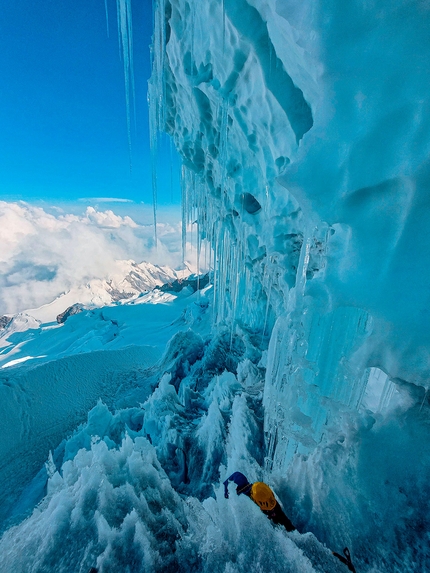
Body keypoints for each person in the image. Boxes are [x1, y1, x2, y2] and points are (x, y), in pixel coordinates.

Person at [223, 471, 295, 532]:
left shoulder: (247, 495)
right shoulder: (256, 486)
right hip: (272, 504)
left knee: (281, 523)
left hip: (267, 507)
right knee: (285, 523)